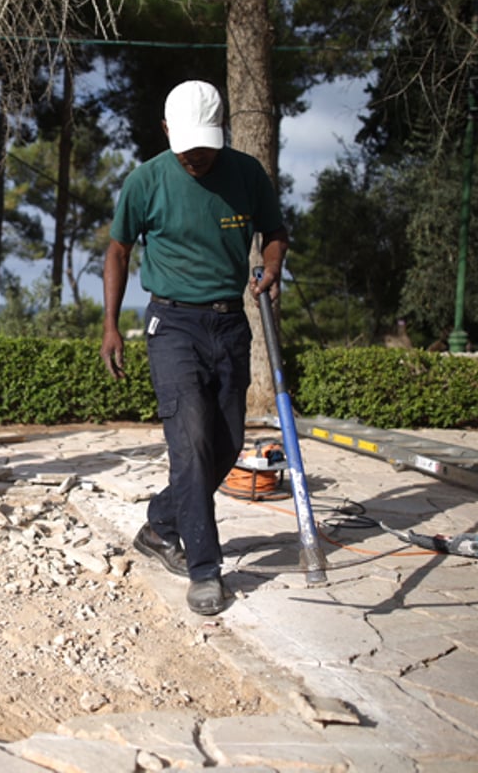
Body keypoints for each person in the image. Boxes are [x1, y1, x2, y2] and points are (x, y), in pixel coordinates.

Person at [100, 81, 289, 616]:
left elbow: (275, 231)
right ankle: (205, 569)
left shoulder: (246, 174)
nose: (196, 156)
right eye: (186, 147)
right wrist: (111, 324)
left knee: (225, 446)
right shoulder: (146, 180)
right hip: (173, 324)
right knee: (191, 443)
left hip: (230, 325)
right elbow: (117, 250)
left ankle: (161, 524)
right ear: (167, 132)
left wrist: (272, 264)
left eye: (205, 145)